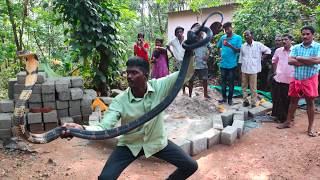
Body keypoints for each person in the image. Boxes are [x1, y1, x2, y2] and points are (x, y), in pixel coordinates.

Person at [61, 56, 198, 179]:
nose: (129, 76)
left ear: (145, 76)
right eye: (128, 72)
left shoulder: (159, 86)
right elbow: (104, 127)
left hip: (156, 142)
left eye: (134, 73)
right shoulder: (120, 101)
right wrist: (81, 128)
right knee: (105, 178)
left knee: (190, 166)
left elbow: (185, 74)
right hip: (130, 144)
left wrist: (190, 52)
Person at [277, 26, 320, 137]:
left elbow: (318, 60)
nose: (305, 36)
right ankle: (288, 122)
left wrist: (299, 57)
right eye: (303, 34)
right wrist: (309, 60)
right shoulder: (296, 47)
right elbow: (290, 61)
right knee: (293, 101)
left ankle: (310, 127)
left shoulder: (317, 46)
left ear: (312, 35)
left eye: (307, 34)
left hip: (310, 78)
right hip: (296, 78)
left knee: (310, 103)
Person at [239, 30, 271, 107]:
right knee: (244, 87)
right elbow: (240, 59)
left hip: (253, 70)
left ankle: (253, 103)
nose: (246, 37)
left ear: (252, 35)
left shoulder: (258, 45)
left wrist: (262, 58)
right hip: (244, 70)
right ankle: (245, 101)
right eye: (245, 35)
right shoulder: (243, 46)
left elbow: (268, 51)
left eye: (247, 35)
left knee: (253, 88)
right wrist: (239, 70)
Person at [217, 22, 242, 105]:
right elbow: (218, 47)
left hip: (232, 65)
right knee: (223, 82)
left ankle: (230, 99)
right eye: (225, 30)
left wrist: (229, 45)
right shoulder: (223, 38)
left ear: (231, 28)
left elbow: (239, 50)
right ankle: (224, 98)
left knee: (231, 83)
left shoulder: (238, 38)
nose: (226, 31)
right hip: (223, 64)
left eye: (228, 29)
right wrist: (220, 56)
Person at [271, 34, 294, 123]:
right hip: (279, 78)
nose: (284, 41)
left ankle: (288, 117)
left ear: (291, 40)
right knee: (278, 98)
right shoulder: (278, 50)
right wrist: (275, 72)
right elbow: (274, 61)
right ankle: (280, 117)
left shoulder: (295, 50)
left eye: (286, 39)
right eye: (283, 39)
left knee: (288, 100)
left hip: (290, 79)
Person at [188, 23, 211, 99]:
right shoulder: (191, 41)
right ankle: (190, 95)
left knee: (204, 79)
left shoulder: (205, 40)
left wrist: (207, 56)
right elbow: (188, 51)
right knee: (191, 80)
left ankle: (205, 94)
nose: (199, 31)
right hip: (193, 64)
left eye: (200, 29)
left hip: (203, 64)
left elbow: (210, 48)